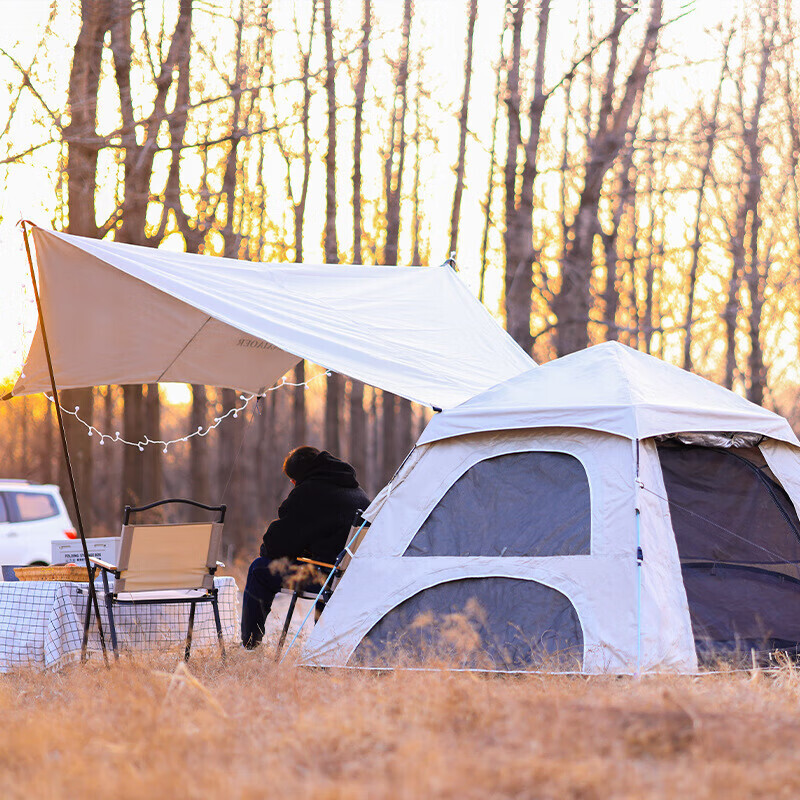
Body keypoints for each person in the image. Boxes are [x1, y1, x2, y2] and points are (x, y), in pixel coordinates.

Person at [241, 445, 369, 648]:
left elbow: (275, 546)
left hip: (325, 579)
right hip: (357, 578)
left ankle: (250, 645)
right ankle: (326, 648)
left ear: (294, 480)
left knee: (259, 569)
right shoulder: (356, 490)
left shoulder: (308, 493)